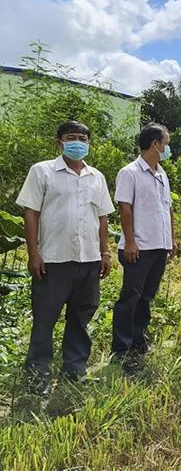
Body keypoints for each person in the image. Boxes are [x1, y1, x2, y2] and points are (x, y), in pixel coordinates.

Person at [15, 121, 114, 392]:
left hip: (89, 260)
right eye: (71, 137)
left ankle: (75, 369)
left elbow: (102, 217)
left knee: (81, 318)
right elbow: (31, 213)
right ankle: (39, 376)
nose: (77, 142)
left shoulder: (97, 176)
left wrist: (105, 252)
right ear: (58, 142)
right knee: (45, 320)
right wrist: (33, 253)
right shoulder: (42, 171)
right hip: (53, 260)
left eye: (83, 138)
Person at [111, 123, 177, 373]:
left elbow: (167, 208)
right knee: (130, 297)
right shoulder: (130, 173)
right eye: (166, 143)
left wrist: (170, 240)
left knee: (146, 296)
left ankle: (138, 339)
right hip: (138, 246)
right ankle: (121, 348)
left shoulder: (161, 174)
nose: (167, 148)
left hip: (159, 245)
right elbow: (125, 208)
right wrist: (129, 241)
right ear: (155, 145)